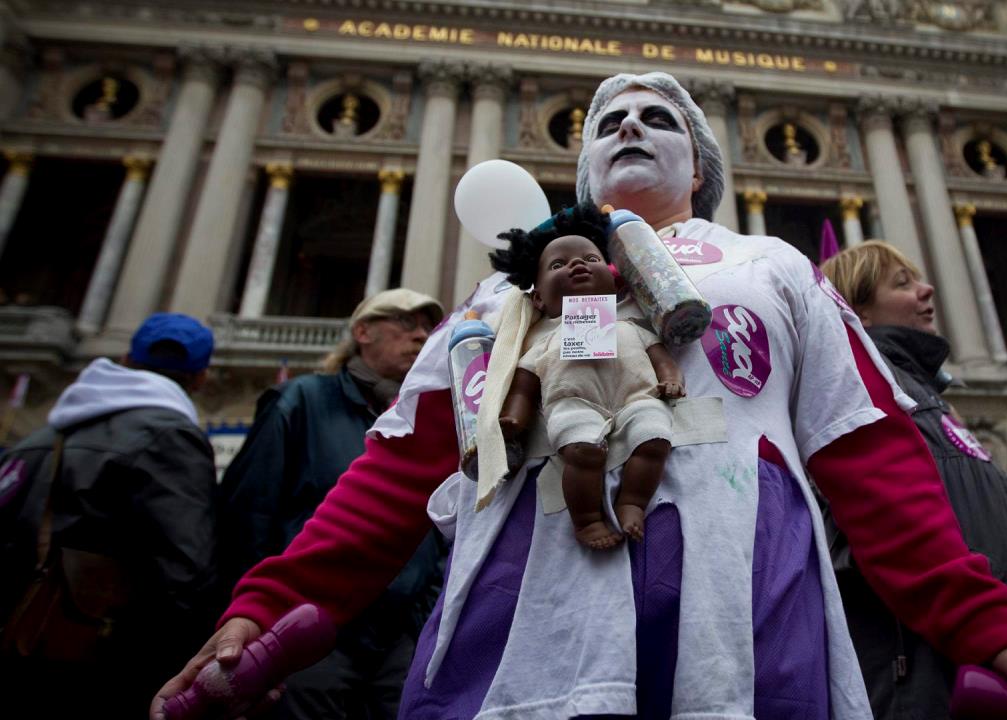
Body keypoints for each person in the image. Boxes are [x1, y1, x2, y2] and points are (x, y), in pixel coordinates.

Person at [155, 72, 1007, 720]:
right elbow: (393, 473)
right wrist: (270, 607)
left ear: (702, 170)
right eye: (606, 123)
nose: (628, 126)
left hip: (745, 627)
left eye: (657, 118)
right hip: (518, 633)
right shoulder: (498, 297)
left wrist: (994, 634)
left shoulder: (774, 269)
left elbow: (874, 470)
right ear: (578, 171)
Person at [820, 241, 1007, 719]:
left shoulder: (928, 400)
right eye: (902, 283)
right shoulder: (864, 397)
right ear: (859, 313)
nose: (927, 289)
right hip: (929, 677)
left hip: (996, 665)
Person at [217, 288, 446, 720]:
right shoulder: (300, 400)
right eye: (406, 322)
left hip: (399, 635)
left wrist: (422, 613)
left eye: (427, 327)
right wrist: (258, 615)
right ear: (363, 332)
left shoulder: (423, 418)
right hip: (306, 631)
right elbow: (249, 512)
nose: (421, 336)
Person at [1, 312, 218, 718]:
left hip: (16, 637)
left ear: (124, 358)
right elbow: (186, 571)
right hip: (94, 657)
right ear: (201, 377)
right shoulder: (171, 437)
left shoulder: (38, 438)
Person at [489, 203, 684, 549]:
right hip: (572, 402)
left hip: (638, 397)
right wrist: (513, 418)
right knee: (581, 451)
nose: (577, 264)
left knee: (654, 438)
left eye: (591, 259)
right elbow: (524, 387)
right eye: (558, 265)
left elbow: (660, 356)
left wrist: (671, 377)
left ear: (613, 278)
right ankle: (587, 519)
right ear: (537, 299)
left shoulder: (629, 324)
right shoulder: (543, 340)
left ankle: (633, 502)